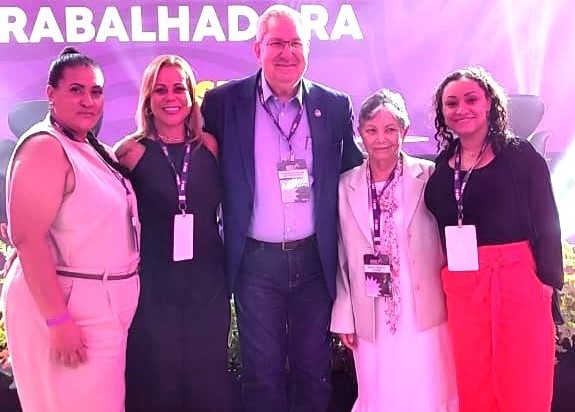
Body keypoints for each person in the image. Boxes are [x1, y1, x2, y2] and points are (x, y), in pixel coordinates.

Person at [201, 5, 363, 412]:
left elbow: (355, 175)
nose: (287, 53)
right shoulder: (223, 103)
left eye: (295, 43)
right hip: (255, 263)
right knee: (261, 373)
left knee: (314, 370)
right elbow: (193, 160)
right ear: (257, 49)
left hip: (314, 261)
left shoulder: (334, 105)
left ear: (308, 49)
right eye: (276, 43)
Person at [0, 47, 140, 412]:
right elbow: (28, 239)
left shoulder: (90, 147)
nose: (88, 100)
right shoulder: (44, 147)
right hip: (67, 308)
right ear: (51, 93)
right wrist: (58, 321)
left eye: (96, 91)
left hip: (98, 309)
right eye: (76, 90)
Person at [424, 66, 563, 412]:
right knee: (474, 382)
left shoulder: (520, 156)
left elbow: (547, 219)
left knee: (523, 381)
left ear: (489, 103)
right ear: (443, 112)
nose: (461, 109)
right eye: (451, 103)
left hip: (517, 279)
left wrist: (547, 283)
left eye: (471, 99)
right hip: (463, 287)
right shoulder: (442, 166)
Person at [330, 88, 458, 411]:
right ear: (360, 133)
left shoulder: (429, 175)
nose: (381, 139)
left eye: (390, 130)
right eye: (371, 130)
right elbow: (340, 256)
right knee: (379, 390)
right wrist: (344, 315)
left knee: (430, 387)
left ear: (405, 130)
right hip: (371, 306)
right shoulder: (345, 185)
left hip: (423, 306)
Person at [114, 54, 230, 412]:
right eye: (160, 90)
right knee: (158, 383)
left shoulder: (210, 147)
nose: (170, 97)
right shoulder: (129, 152)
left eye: (179, 88)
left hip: (207, 286)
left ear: (191, 96)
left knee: (207, 381)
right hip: (154, 288)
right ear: (148, 99)